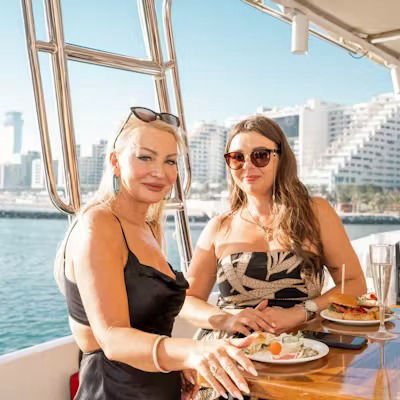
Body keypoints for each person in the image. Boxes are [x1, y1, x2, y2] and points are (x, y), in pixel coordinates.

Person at [54, 107, 257, 400]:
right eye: (145, 157)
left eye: (170, 161)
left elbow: (149, 321)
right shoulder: (99, 224)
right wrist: (192, 351)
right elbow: (112, 338)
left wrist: (177, 363)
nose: (160, 172)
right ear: (115, 162)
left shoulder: (148, 227)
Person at [181, 115, 367, 340]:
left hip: (301, 349)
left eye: (260, 155)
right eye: (237, 158)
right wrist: (227, 319)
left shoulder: (316, 213)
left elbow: (355, 284)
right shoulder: (219, 226)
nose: (247, 165)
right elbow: (188, 300)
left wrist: (301, 312)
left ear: (281, 158)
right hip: (227, 348)